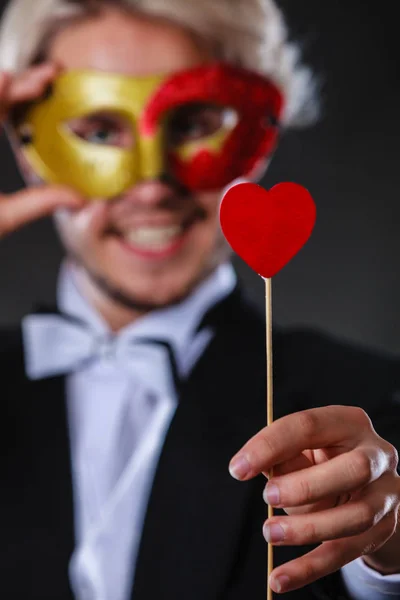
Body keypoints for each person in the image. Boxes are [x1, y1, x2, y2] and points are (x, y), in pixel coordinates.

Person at [0, 1, 399, 599]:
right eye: (99, 131)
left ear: (261, 134)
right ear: (26, 146)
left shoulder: (369, 402)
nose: (153, 185)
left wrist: (387, 553)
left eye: (192, 124)